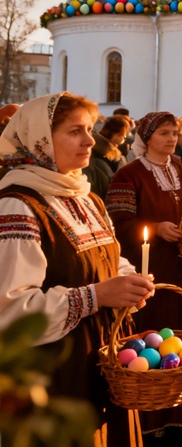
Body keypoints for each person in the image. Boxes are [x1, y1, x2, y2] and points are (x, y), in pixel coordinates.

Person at [0, 93, 154, 446]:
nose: (90, 140)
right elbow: (11, 313)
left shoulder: (87, 197)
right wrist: (97, 296)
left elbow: (110, 259)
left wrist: (129, 283)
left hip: (106, 363)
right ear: (39, 140)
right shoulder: (18, 206)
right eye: (75, 131)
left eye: (89, 129)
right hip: (56, 379)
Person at [107, 112, 182, 446]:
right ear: (146, 138)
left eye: (175, 132)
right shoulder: (128, 174)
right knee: (156, 349)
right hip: (153, 278)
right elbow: (117, 225)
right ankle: (153, 429)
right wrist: (155, 228)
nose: (172, 138)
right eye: (163, 133)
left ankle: (178, 427)